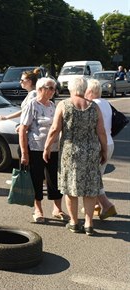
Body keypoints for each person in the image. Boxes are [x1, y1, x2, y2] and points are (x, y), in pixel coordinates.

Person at [43, 77, 107, 236]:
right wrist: (104, 150)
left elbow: (55, 129)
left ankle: (74, 222)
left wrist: (47, 147)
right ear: (84, 89)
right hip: (91, 151)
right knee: (90, 188)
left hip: (71, 152)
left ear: (71, 89)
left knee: (71, 188)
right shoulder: (94, 107)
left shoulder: (64, 105)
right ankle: (89, 223)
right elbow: (101, 131)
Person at [18, 77, 66, 223]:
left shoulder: (52, 105)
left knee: (55, 179)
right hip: (35, 148)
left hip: (54, 148)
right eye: (50, 88)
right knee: (36, 179)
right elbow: (22, 129)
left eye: (54, 88)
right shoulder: (32, 105)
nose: (53, 91)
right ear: (40, 89)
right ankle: (38, 209)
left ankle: (57, 209)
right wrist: (25, 153)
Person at [85, 79, 117, 220]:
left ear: (90, 91)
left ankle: (106, 205)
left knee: (92, 178)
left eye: (85, 90)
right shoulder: (105, 103)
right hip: (109, 143)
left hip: (98, 144)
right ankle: (96, 205)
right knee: (98, 176)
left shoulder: (92, 105)